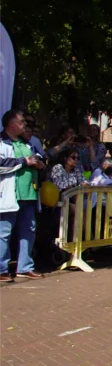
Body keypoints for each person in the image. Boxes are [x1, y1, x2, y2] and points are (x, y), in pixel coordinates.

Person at [1, 110, 46, 282]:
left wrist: (40, 165)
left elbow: (41, 161)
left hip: (29, 194)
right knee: (4, 232)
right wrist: (24, 162)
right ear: (12, 124)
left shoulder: (27, 144)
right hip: (8, 195)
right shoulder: (1, 143)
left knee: (29, 231)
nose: (25, 125)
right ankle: (1, 268)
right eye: (22, 121)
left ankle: (25, 267)